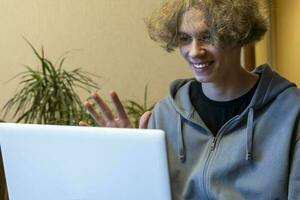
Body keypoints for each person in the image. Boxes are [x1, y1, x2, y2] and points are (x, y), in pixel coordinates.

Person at [80, 0, 300, 199]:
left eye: (208, 37)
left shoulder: (291, 111)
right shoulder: (165, 114)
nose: (194, 51)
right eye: (185, 39)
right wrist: (129, 158)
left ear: (238, 34)